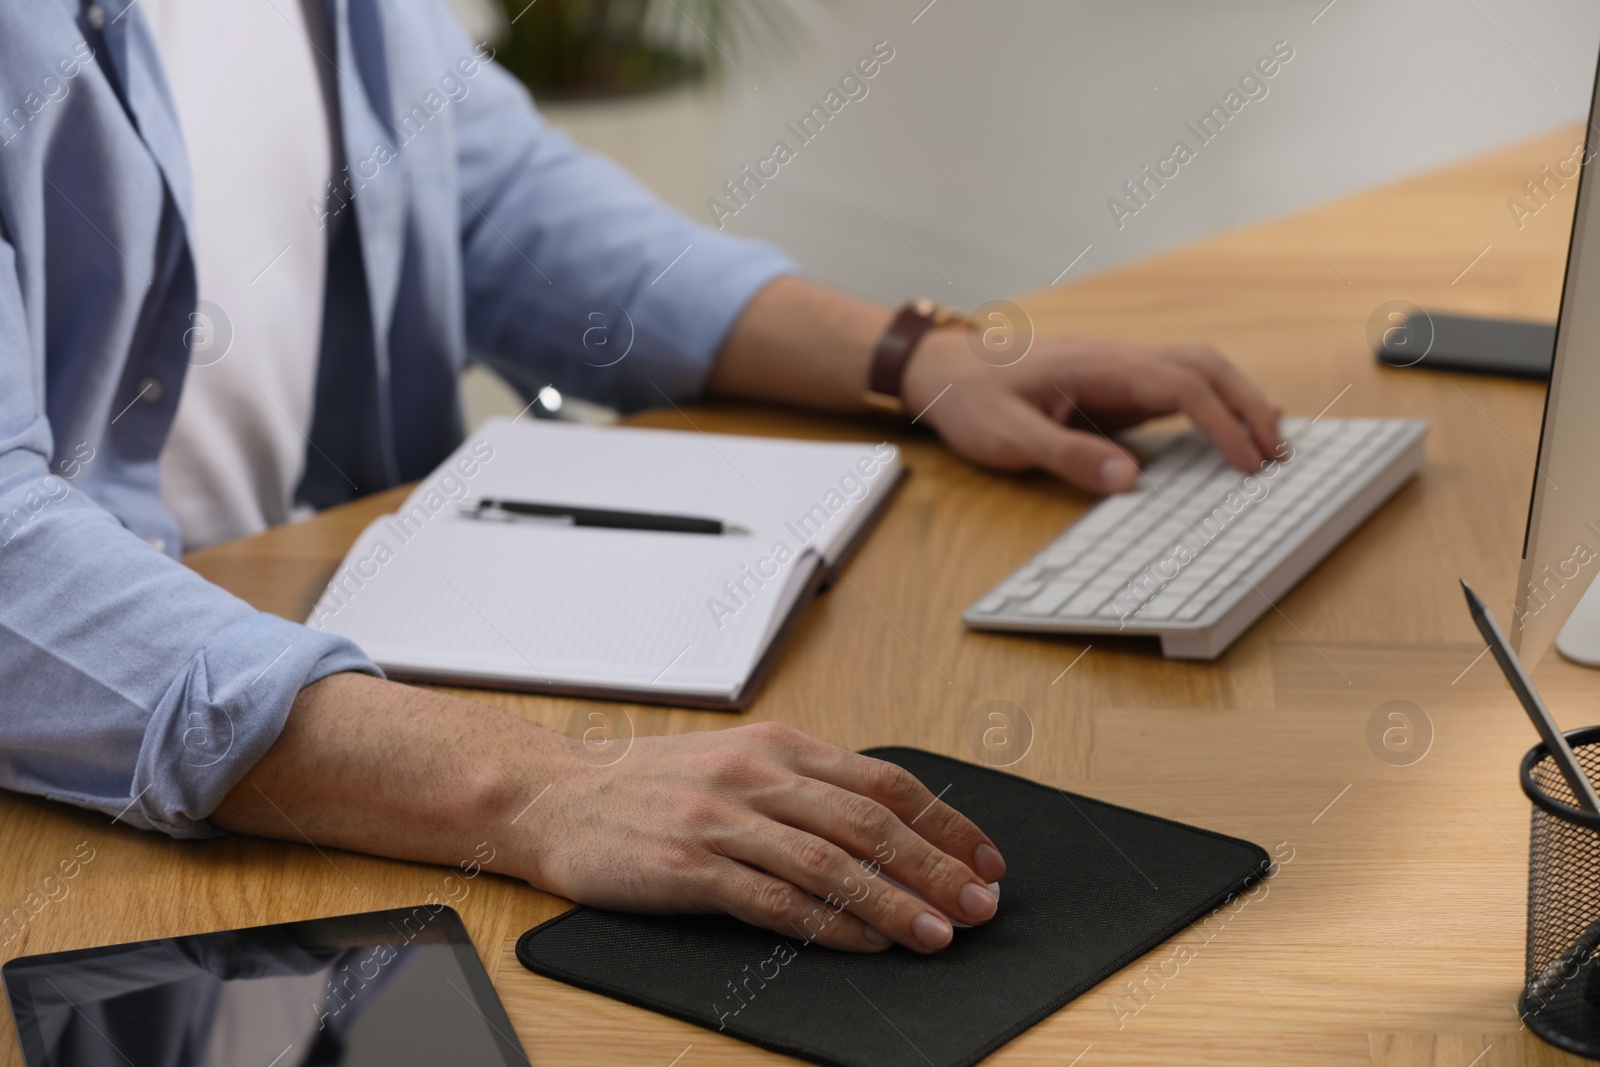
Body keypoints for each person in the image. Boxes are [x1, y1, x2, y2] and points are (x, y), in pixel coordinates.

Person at [0, 1, 1282, 955]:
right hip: (101, 791)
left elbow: (493, 201)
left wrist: (914, 358)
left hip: (338, 686)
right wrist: (543, 785)